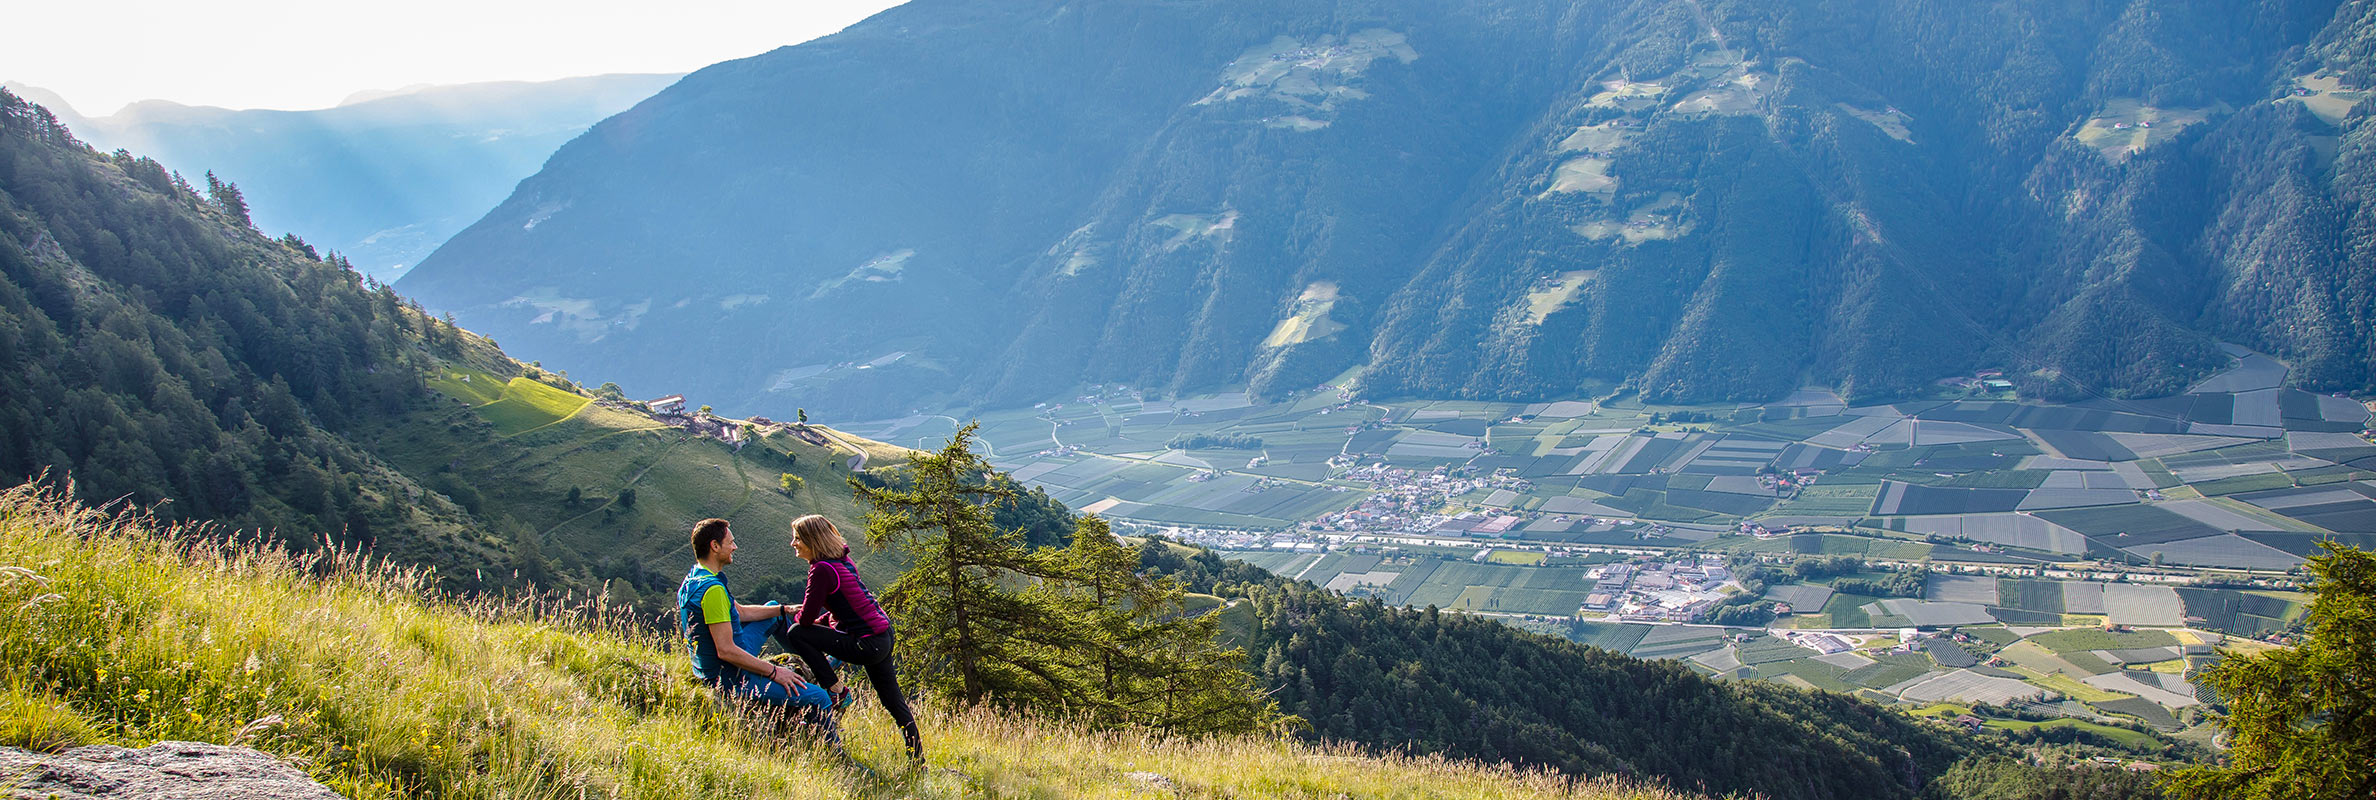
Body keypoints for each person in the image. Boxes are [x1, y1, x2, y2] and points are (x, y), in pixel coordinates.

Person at [782, 514, 923, 761]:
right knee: (895, 704)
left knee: (796, 633)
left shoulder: (821, 569)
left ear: (811, 540)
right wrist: (822, 622)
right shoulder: (842, 562)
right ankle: (918, 763)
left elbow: (804, 621)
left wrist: (797, 615)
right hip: (882, 636)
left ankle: (837, 690)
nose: (793, 543)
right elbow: (848, 609)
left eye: (797, 539)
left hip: (866, 643)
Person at [677, 518, 834, 725]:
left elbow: (739, 612)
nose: (735, 547)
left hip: (716, 666)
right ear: (714, 546)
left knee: (773, 609)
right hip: (731, 677)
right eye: (730, 542)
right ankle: (833, 753)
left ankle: (813, 657)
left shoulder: (695, 579)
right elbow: (725, 650)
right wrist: (775, 672)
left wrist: (783, 609)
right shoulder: (712, 590)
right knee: (820, 698)